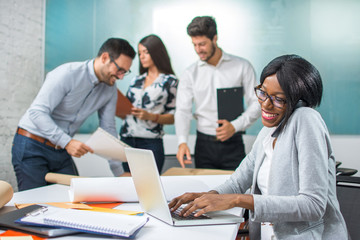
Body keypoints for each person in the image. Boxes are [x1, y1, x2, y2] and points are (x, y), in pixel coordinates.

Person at [169, 55, 349, 239]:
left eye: (278, 99)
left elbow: (313, 205)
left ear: (299, 102)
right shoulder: (267, 133)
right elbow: (237, 182)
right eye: (262, 93)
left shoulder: (306, 119)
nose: (265, 104)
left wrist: (237, 200)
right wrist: (206, 197)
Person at [12, 38, 136, 191]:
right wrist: (67, 142)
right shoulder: (67, 73)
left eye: (126, 72)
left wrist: (119, 172)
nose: (121, 77)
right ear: (104, 58)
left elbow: (108, 129)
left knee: (75, 199)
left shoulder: (110, 90)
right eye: (120, 70)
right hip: (32, 144)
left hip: (61, 148)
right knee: (33, 206)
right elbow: (37, 113)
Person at [175, 16, 260, 170]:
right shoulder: (190, 73)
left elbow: (257, 103)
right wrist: (182, 142)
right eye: (194, 44)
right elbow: (182, 111)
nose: (198, 50)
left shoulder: (242, 66)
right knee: (206, 193)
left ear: (215, 38)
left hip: (233, 142)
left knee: (236, 192)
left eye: (202, 44)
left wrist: (235, 126)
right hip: (203, 145)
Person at [120, 34, 178, 174]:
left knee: (149, 187)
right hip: (127, 139)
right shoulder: (136, 80)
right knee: (128, 184)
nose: (142, 57)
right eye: (140, 53)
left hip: (150, 142)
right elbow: (127, 106)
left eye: (146, 52)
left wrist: (151, 116)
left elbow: (174, 117)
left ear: (156, 52)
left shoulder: (170, 81)